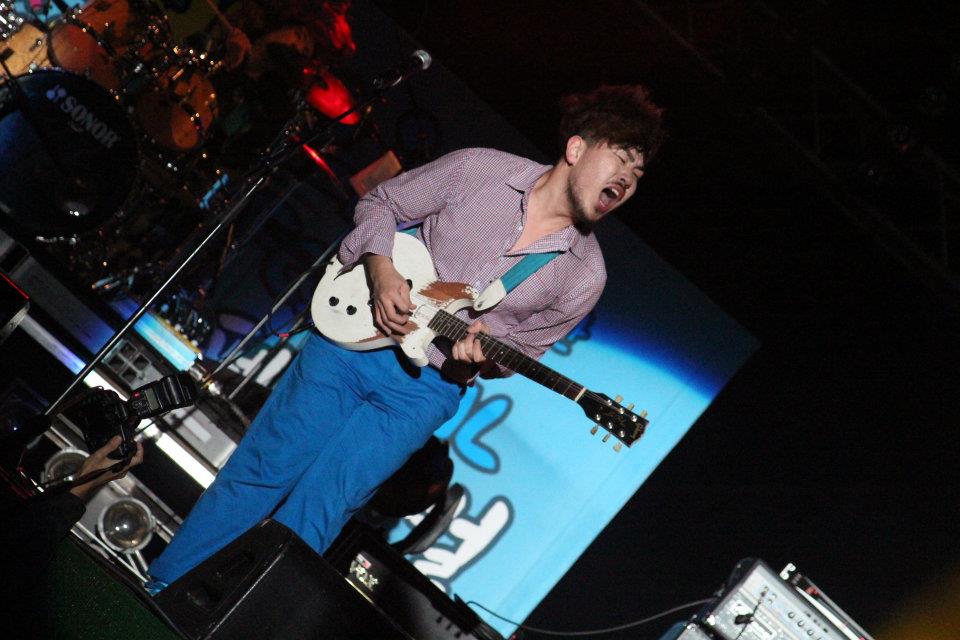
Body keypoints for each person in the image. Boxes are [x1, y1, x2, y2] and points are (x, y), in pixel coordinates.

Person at [145, 84, 665, 592]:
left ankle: (224, 621)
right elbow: (382, 203)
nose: (627, 180)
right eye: (621, 158)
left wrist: (478, 361)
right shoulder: (482, 170)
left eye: (638, 175)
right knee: (264, 468)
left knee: (321, 510)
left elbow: (517, 355)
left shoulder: (584, 276)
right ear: (576, 149)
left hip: (425, 390)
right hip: (352, 342)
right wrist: (381, 268)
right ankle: (165, 587)